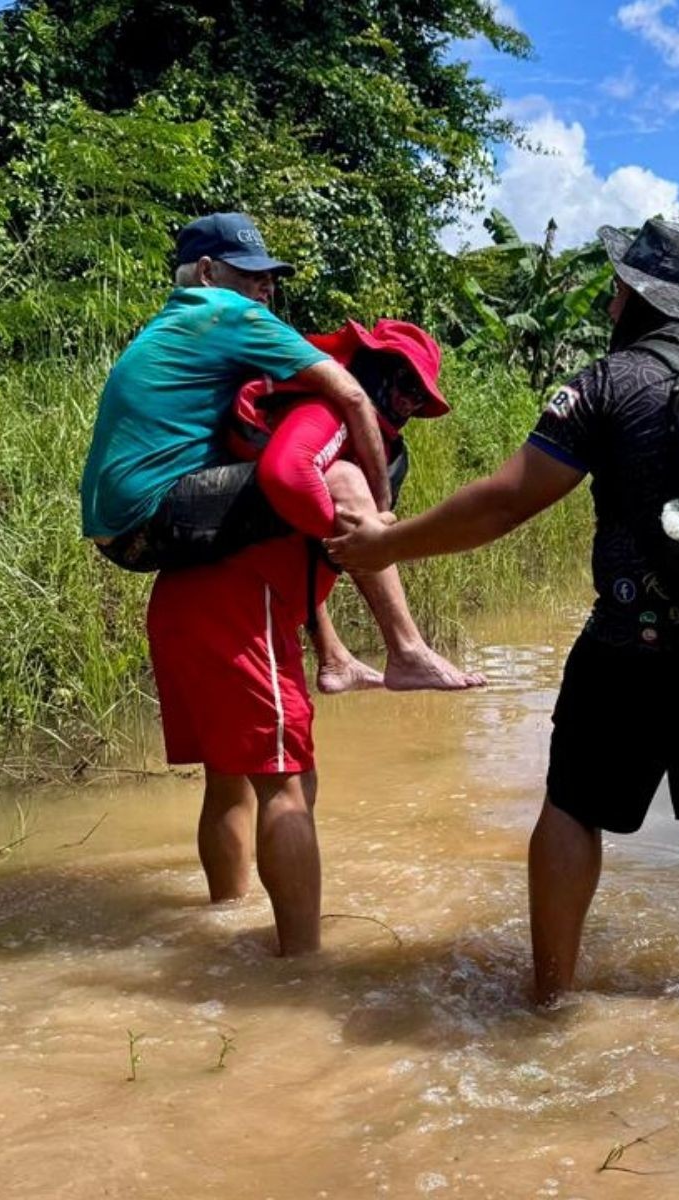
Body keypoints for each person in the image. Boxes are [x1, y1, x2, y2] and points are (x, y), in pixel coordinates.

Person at [330, 218, 679, 1002]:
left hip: (633, 645)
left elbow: (503, 502)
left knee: (572, 810)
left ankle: (550, 998)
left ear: (633, 293)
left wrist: (386, 544)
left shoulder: (609, 382)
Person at [80, 211, 482, 692]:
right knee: (340, 480)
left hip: (117, 529)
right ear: (208, 274)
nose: (266, 288)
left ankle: (333, 655)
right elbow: (352, 395)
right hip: (152, 514)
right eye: (252, 274)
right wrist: (380, 512)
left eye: (270, 278)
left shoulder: (174, 324)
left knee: (296, 481)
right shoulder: (229, 313)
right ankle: (407, 649)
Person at [146, 328, 453, 955]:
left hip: (186, 598)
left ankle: (227, 923)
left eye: (420, 397)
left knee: (228, 779)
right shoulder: (328, 410)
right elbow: (289, 478)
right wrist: (360, 543)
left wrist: (329, 646)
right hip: (240, 604)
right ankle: (300, 970)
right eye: (402, 384)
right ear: (367, 368)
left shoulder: (280, 404)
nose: (407, 404)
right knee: (288, 785)